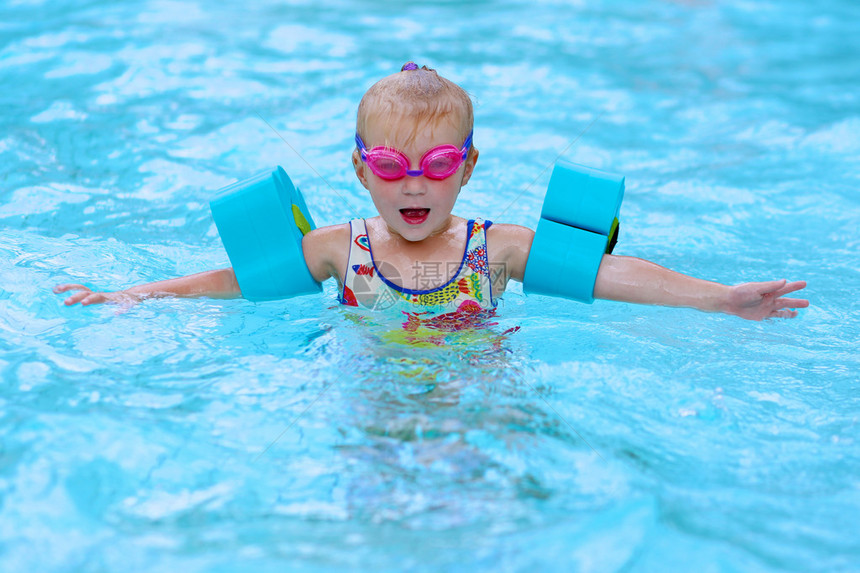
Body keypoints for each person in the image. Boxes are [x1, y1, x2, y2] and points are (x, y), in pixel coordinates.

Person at [54, 63, 808, 321]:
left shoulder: (497, 248)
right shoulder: (337, 248)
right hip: (370, 398)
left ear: (468, 169)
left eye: (439, 163)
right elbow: (237, 282)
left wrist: (717, 297)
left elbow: (606, 273)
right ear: (360, 173)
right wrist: (134, 296)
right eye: (390, 166)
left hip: (477, 399)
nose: (414, 181)